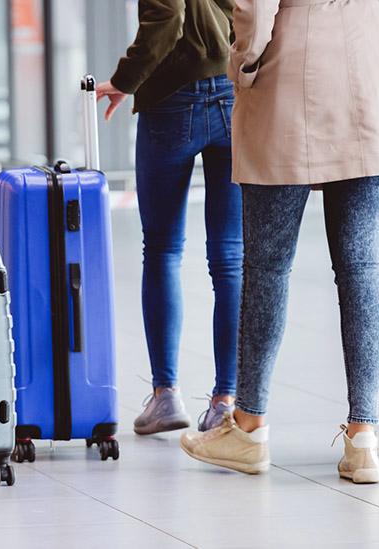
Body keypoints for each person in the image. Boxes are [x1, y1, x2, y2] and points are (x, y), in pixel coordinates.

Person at [180, 0, 379, 484]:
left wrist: (243, 61)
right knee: (360, 266)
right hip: (368, 65)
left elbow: (255, 7)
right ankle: (363, 439)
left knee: (267, 266)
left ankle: (249, 427)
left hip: (287, 69)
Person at [96, 0, 242, 435]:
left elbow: (168, 17)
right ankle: (226, 400)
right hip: (232, 87)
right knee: (230, 257)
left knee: (161, 249)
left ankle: (166, 396)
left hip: (173, 96)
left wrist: (126, 80)